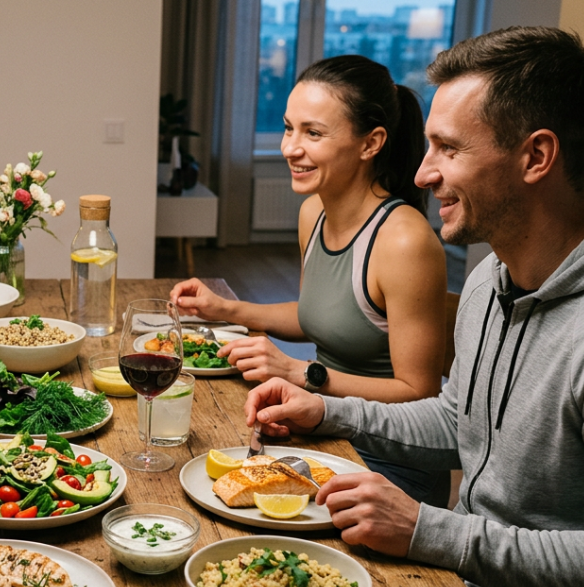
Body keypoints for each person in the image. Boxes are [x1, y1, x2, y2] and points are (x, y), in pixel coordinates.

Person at [244, 27, 584, 587]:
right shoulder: (491, 279)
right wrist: (328, 409)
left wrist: (432, 530)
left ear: (535, 156)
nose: (423, 173)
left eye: (448, 149)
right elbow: (460, 420)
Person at [170, 55, 450, 505]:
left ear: (370, 143)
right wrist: (226, 309)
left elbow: (420, 394)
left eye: (313, 133)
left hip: (387, 468)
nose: (289, 148)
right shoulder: (313, 212)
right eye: (288, 128)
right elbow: (319, 313)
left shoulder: (404, 241)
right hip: (324, 432)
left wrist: (302, 373)